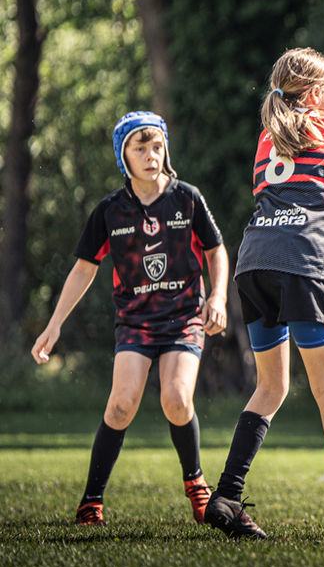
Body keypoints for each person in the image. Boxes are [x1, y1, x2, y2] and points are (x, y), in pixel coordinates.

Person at [203, 48, 324, 541]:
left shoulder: (268, 137)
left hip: (254, 262)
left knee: (271, 386)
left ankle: (226, 495)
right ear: (315, 93)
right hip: (304, 264)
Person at [31, 111, 229, 527]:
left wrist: (218, 296)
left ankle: (196, 486)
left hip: (184, 317)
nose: (151, 154)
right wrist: (54, 325)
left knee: (176, 400)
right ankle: (91, 500)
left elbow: (216, 251)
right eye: (140, 148)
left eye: (157, 146)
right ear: (124, 156)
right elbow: (84, 268)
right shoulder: (109, 211)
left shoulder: (187, 199)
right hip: (136, 322)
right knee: (121, 406)